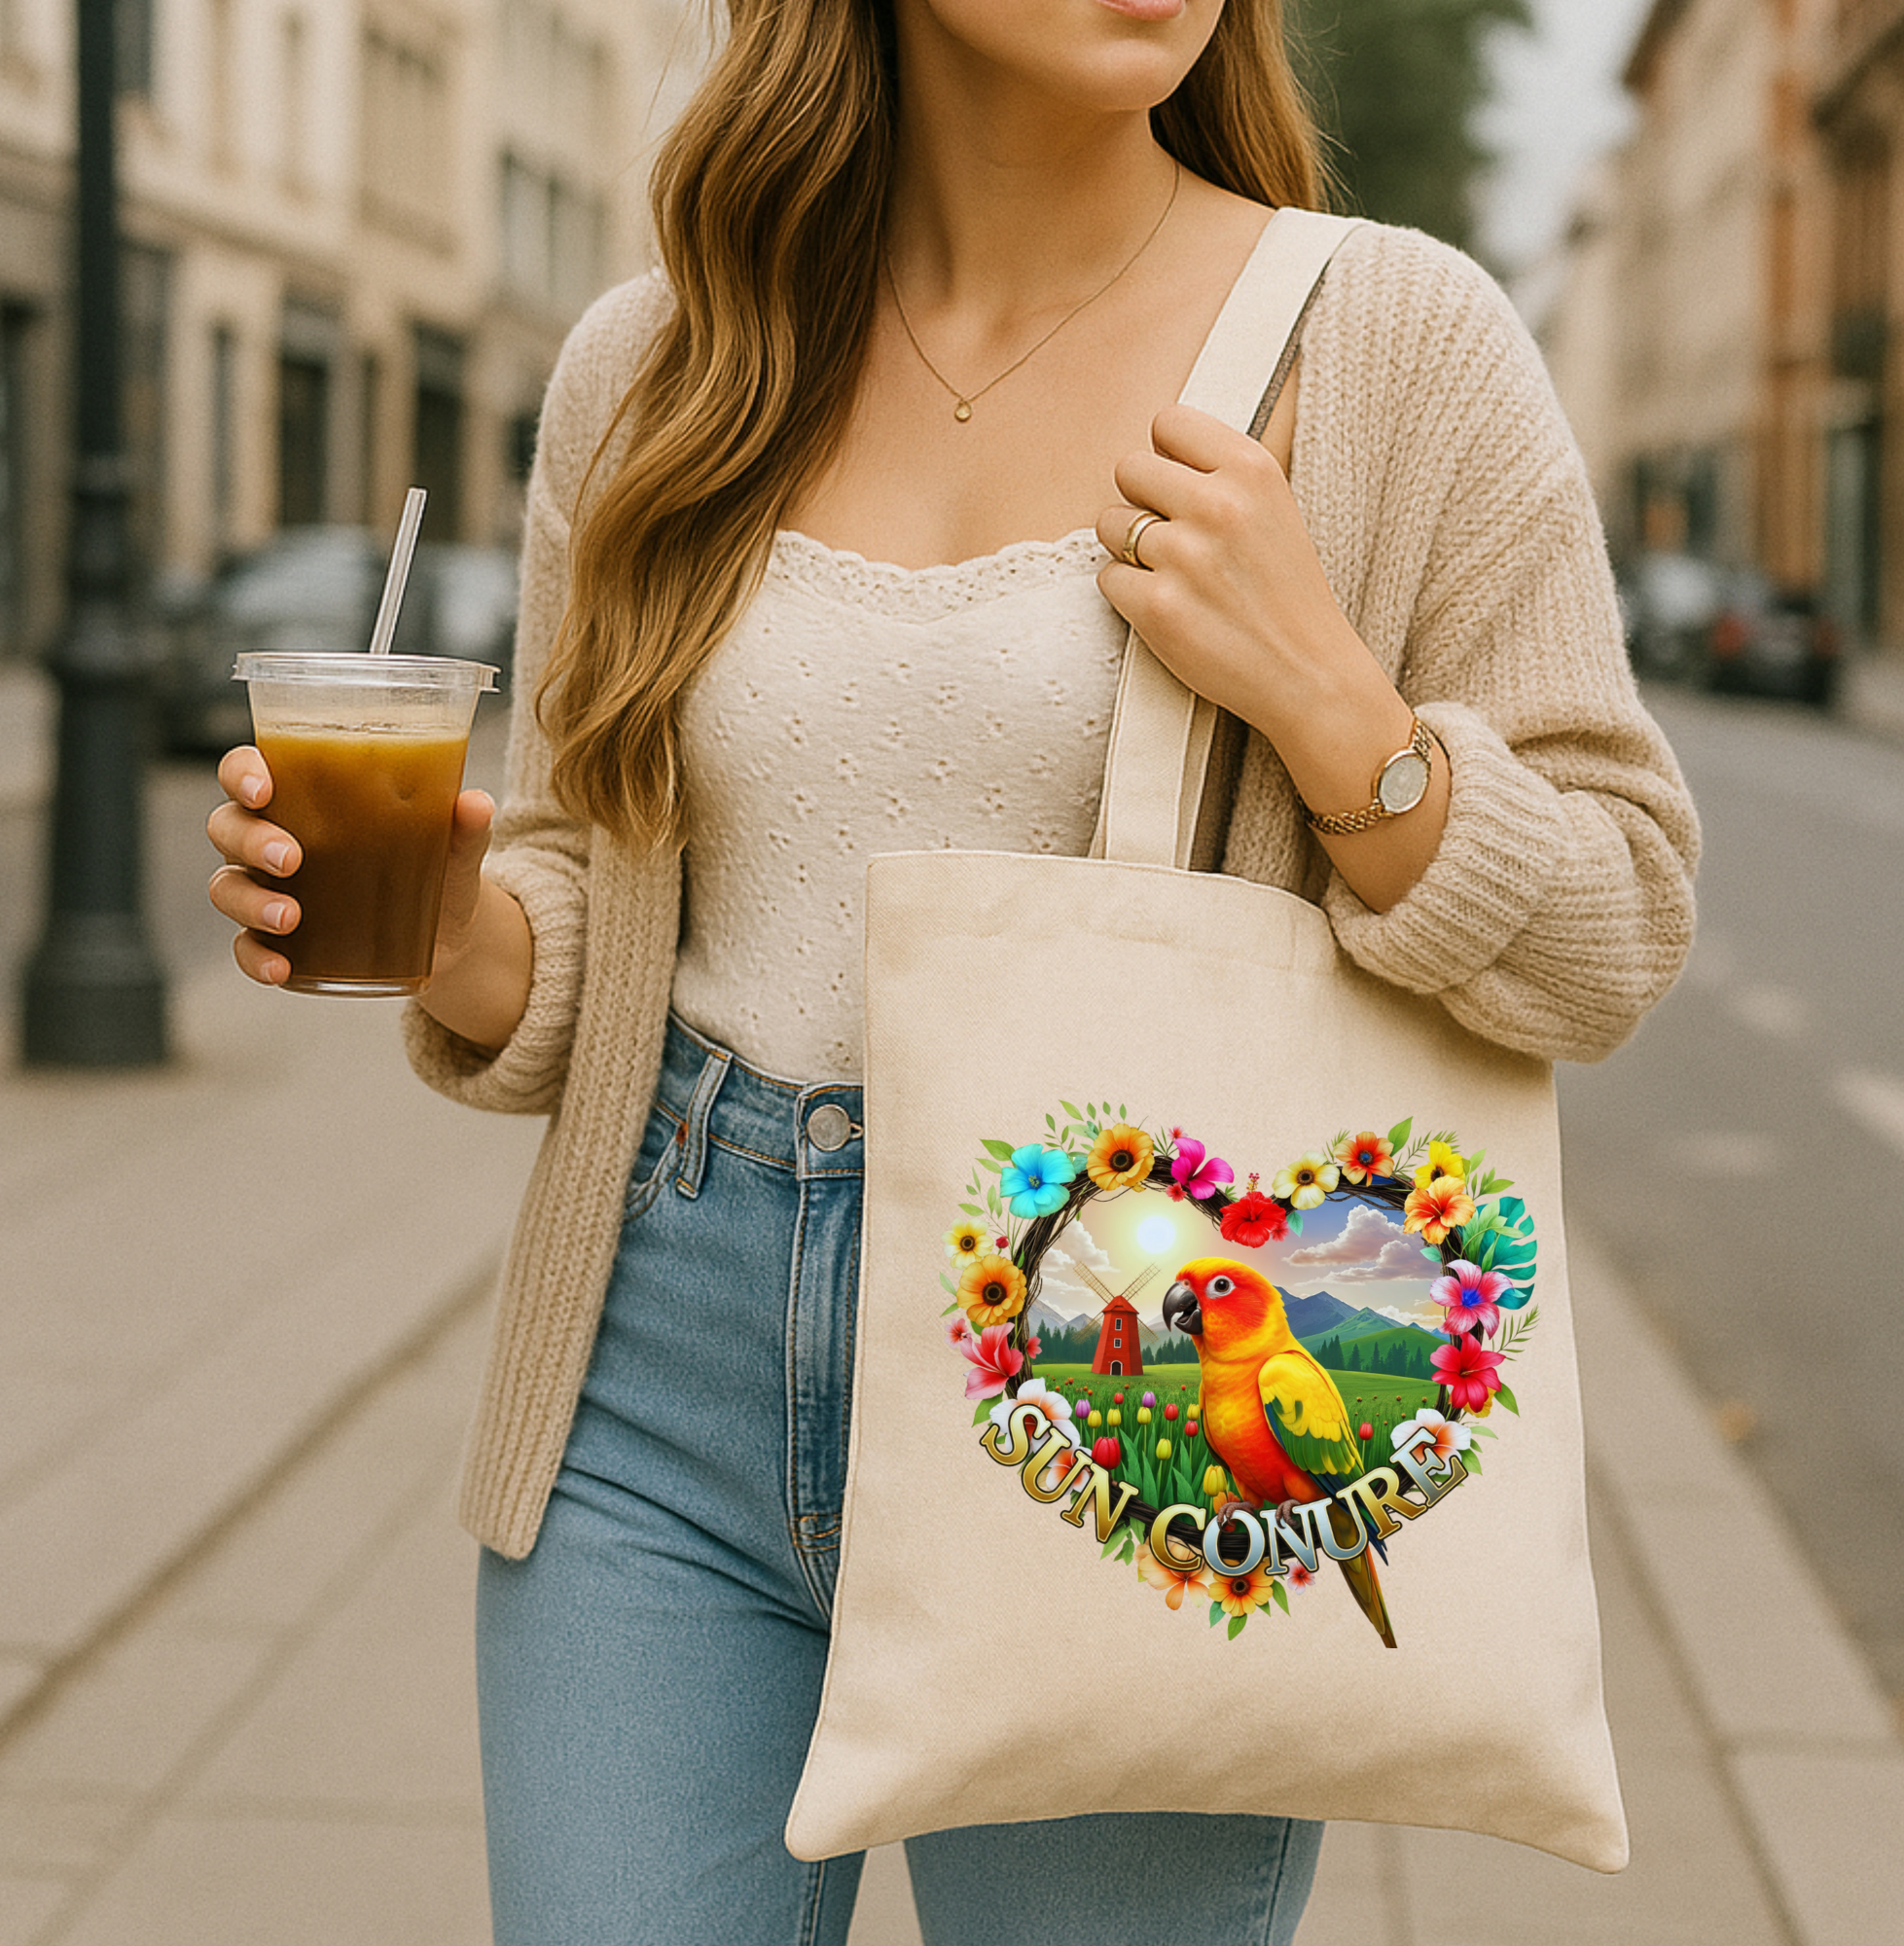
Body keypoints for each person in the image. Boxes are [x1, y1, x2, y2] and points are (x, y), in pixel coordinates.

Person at [206, 2, 1700, 1939]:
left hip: (1137, 1369)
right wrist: (458, 943)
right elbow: (594, 897)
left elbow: (1619, 922)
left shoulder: (1394, 343)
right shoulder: (658, 364)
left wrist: (1343, 716)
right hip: (656, 1366)